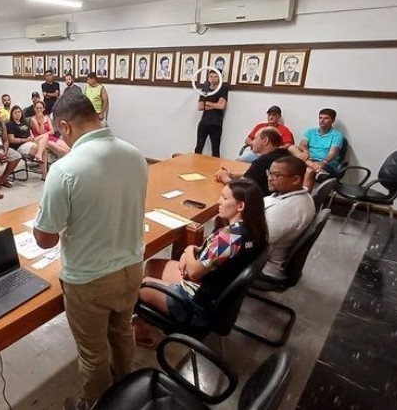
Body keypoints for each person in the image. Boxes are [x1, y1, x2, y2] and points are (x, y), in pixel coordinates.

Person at [32, 93, 148, 409]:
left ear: (65, 126)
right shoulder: (135, 154)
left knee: (93, 351)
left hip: (90, 280)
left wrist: (39, 218)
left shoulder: (65, 170)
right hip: (133, 266)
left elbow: (45, 239)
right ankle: (127, 387)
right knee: (122, 330)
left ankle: (98, 403)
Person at [135, 179, 269, 344]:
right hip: (211, 290)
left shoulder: (229, 237)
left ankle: (140, 331)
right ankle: (148, 316)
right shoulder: (253, 231)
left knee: (139, 284)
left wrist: (189, 249)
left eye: (224, 198)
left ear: (240, 206)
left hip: (197, 306)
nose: (219, 201)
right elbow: (216, 259)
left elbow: (193, 272)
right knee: (153, 265)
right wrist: (194, 252)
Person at [263, 156, 315, 279]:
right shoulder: (303, 195)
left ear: (296, 179)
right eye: (269, 173)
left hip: (263, 266)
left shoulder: (286, 209)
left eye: (276, 175)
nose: (270, 178)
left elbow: (256, 241)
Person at [216, 128, 290, 196]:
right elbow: (254, 176)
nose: (252, 142)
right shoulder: (286, 155)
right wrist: (232, 176)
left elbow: (241, 189)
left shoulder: (262, 162)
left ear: (265, 141)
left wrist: (225, 178)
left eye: (255, 138)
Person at [289, 108, 344, 190]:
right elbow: (302, 144)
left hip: (326, 165)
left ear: (333, 120)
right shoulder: (311, 131)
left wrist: (323, 163)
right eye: (320, 118)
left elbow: (333, 153)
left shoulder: (337, 135)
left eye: (326, 118)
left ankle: (306, 200)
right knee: (291, 147)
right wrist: (305, 151)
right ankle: (314, 168)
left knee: (308, 171)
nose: (322, 120)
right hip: (309, 160)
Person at [6, 105, 49, 180]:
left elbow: (29, 132)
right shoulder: (10, 124)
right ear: (12, 114)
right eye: (15, 112)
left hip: (29, 141)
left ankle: (38, 156)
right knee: (43, 150)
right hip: (20, 145)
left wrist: (31, 136)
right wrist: (25, 140)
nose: (18, 114)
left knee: (45, 136)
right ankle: (44, 175)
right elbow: (11, 140)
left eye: (19, 112)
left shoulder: (24, 122)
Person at [195, 70, 229, 157]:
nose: (212, 79)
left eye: (215, 77)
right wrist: (215, 105)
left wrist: (207, 102)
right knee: (198, 147)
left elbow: (221, 106)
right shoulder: (205, 88)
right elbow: (200, 107)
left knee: (215, 149)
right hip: (204, 122)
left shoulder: (223, 89)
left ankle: (215, 169)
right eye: (211, 77)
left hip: (216, 123)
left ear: (219, 77)